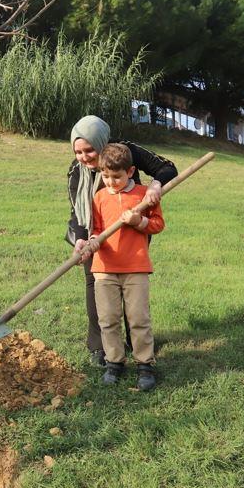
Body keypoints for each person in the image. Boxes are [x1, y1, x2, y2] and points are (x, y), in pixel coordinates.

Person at [67, 115, 177, 368]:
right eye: (78, 151)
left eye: (89, 149)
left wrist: (155, 186)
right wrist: (82, 241)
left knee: (130, 287)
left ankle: (138, 342)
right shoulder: (76, 170)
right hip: (95, 235)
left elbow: (167, 167)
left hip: (132, 232)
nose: (84, 157)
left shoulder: (125, 152)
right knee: (96, 285)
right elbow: (76, 211)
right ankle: (100, 347)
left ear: (101, 142)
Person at [74, 143, 164, 390]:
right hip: (104, 269)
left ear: (131, 171)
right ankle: (115, 362)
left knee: (138, 318)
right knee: (108, 318)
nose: (111, 182)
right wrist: (92, 241)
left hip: (136, 267)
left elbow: (157, 224)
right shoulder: (100, 197)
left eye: (117, 176)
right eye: (105, 176)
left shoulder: (144, 196)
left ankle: (145, 364)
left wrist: (139, 220)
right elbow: (97, 229)